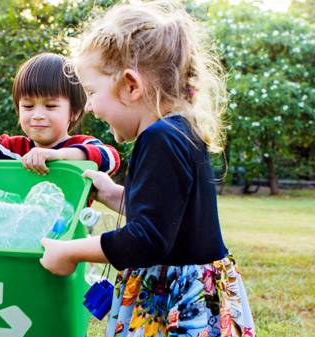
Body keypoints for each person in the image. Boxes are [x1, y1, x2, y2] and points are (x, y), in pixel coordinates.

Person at [39, 2, 255, 337]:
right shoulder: (179, 130)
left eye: (93, 92)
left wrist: (71, 252)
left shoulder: (159, 139)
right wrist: (112, 193)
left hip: (179, 304)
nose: (92, 106)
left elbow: (147, 240)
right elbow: (168, 216)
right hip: (196, 294)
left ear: (130, 86)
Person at [0, 53, 120, 177]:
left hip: (69, 225)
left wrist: (58, 155)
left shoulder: (82, 145)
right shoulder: (12, 150)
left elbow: (111, 159)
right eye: (28, 106)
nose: (38, 115)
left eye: (50, 106)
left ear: (74, 112)